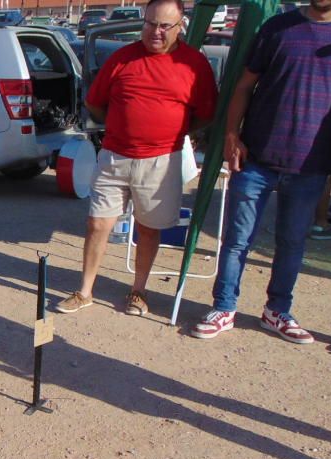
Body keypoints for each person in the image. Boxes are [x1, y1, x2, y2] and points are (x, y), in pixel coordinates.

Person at [191, 0, 331, 343]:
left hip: (311, 163)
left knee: (291, 243)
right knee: (236, 241)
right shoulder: (278, 27)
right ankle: (224, 307)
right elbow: (245, 85)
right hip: (256, 157)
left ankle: (277, 311)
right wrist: (232, 134)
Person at [56, 0, 217, 316]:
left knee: (148, 229)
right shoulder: (122, 58)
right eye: (150, 23)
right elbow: (97, 104)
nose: (155, 32)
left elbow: (204, 115)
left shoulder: (193, 64)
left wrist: (173, 131)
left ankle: (138, 291)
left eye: (164, 26)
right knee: (97, 223)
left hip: (160, 161)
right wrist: (123, 127)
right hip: (115, 156)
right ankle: (85, 290)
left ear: (179, 26)